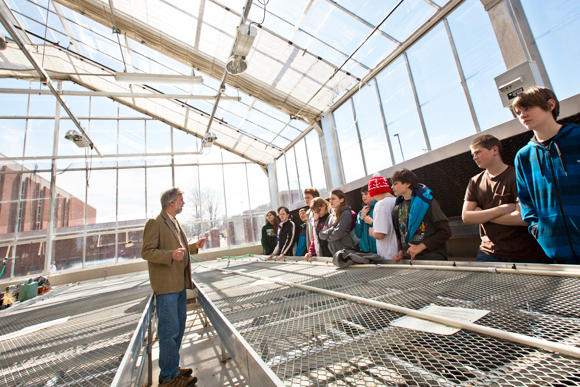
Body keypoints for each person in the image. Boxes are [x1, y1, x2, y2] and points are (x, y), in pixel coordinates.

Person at [141, 188, 205, 387]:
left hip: (178, 285)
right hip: (166, 287)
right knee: (168, 332)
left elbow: (180, 249)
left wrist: (193, 246)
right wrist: (169, 255)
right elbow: (147, 252)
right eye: (181, 199)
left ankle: (171, 369)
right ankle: (169, 378)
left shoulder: (174, 222)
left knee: (176, 330)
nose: (183, 203)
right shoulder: (155, 223)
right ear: (171, 202)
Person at [513, 86, 580, 264]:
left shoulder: (577, 137)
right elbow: (526, 202)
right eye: (518, 112)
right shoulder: (523, 157)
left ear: (550, 105)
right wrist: (538, 230)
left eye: (527, 108)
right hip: (557, 253)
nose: (522, 115)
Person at [462, 134, 549, 263]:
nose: (475, 157)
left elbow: (522, 218)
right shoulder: (474, 182)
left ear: (495, 150)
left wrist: (482, 215)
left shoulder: (516, 176)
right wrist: (503, 209)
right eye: (473, 154)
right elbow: (466, 217)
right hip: (488, 253)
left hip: (523, 254)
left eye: (478, 152)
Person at [391, 169, 451, 263]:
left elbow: (445, 232)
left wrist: (421, 246)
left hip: (432, 259)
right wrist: (401, 253)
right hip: (410, 261)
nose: (392, 187)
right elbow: (399, 234)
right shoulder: (396, 209)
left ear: (407, 184)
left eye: (395, 184)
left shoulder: (428, 203)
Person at [367, 173, 398, 260]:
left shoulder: (381, 205)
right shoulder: (397, 201)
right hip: (400, 252)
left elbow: (380, 234)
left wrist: (372, 232)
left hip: (389, 255)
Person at [319, 190, 354, 256]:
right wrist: (332, 230)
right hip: (335, 253)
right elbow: (321, 234)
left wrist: (327, 237)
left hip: (345, 251)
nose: (331, 201)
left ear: (341, 200)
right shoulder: (330, 216)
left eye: (333, 199)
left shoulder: (345, 214)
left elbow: (338, 234)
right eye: (330, 199)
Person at [355, 186, 377, 254]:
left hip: (378, 250)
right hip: (365, 251)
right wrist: (361, 219)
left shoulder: (378, 208)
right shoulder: (361, 212)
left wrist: (372, 222)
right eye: (362, 195)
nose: (363, 197)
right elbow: (358, 234)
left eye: (366, 194)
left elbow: (384, 228)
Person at [303, 187, 320, 255]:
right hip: (313, 248)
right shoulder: (308, 213)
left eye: (308, 197)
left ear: (315, 197)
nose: (306, 200)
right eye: (305, 198)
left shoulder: (322, 210)